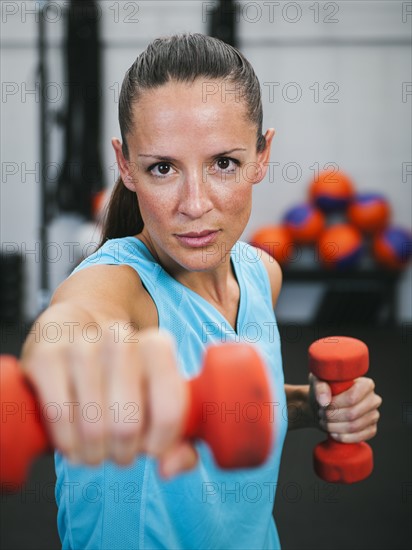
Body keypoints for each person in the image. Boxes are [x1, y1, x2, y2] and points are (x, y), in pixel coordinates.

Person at [21, 33, 382, 549]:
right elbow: (75, 319)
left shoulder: (261, 275)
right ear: (125, 166)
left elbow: (220, 398)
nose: (194, 203)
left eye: (224, 164)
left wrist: (311, 407)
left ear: (262, 155)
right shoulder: (123, 288)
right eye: (162, 168)